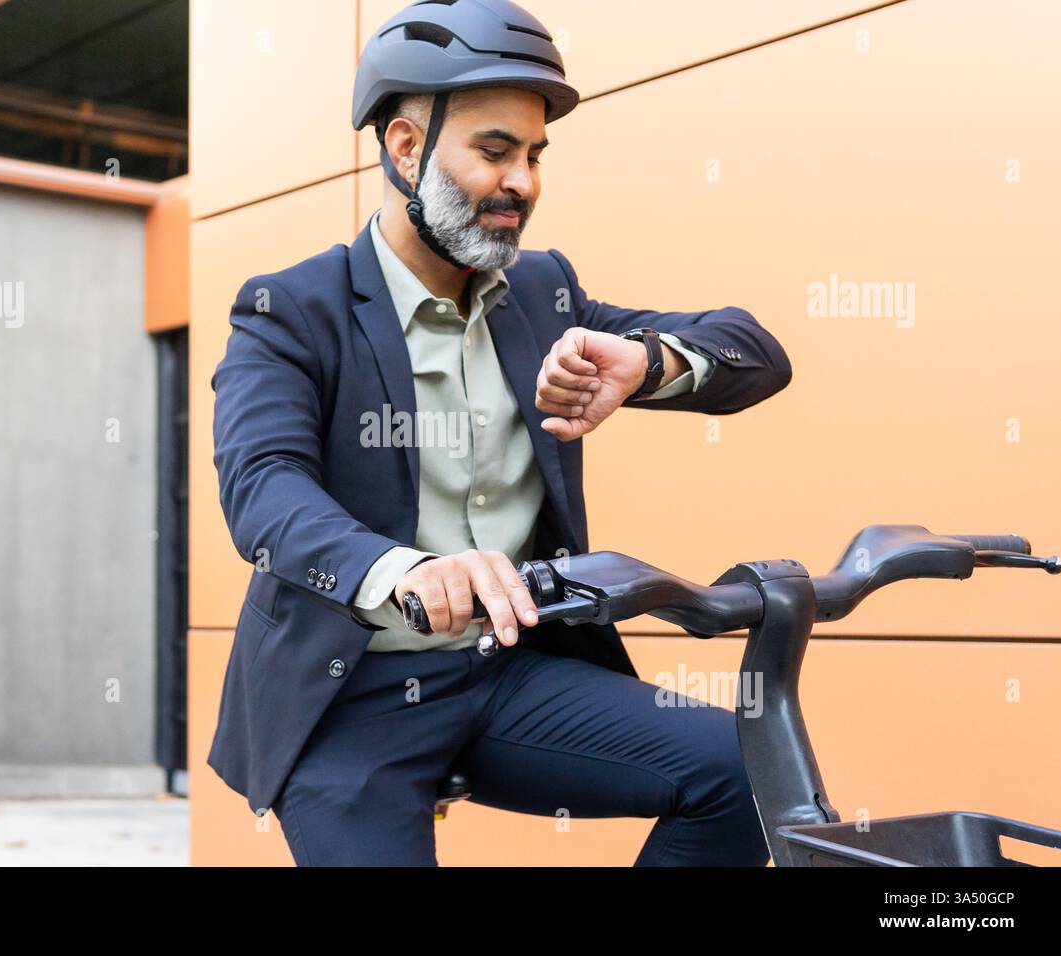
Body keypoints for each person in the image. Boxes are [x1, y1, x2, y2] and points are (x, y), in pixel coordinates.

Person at [208, 0, 792, 865]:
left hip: (511, 674)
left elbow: (758, 354)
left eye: (534, 155)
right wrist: (406, 570)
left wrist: (647, 363)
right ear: (406, 148)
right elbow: (263, 488)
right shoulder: (292, 309)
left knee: (749, 774)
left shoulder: (544, 292)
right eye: (494, 151)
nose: (523, 181)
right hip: (351, 693)